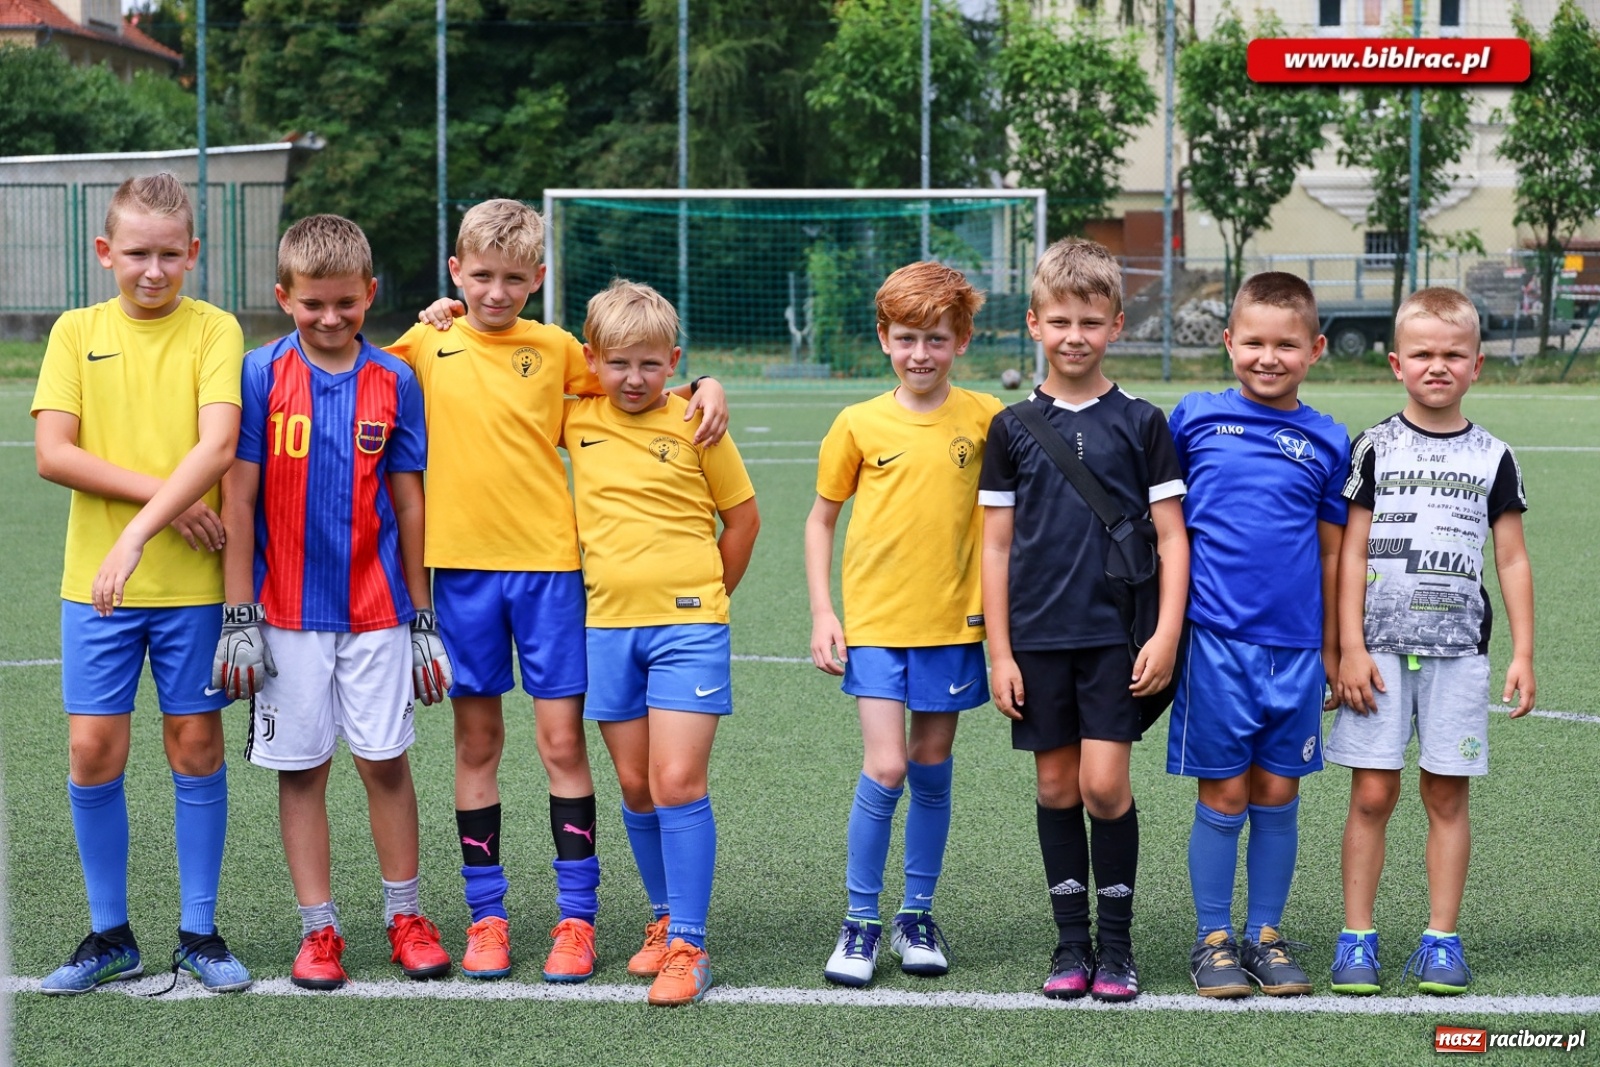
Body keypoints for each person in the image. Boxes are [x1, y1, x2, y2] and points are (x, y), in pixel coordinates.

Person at [387, 199, 728, 981]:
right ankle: (489, 917)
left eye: (514, 278)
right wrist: (428, 317)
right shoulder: (423, 344)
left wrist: (707, 380)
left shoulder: (558, 350)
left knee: (562, 744)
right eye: (480, 277)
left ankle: (577, 921)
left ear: (539, 279)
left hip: (551, 573)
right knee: (476, 745)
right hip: (461, 574)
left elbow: (634, 368)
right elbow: (365, 372)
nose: (496, 292)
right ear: (455, 274)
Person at [216, 214, 453, 990]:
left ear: (370, 294)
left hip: (380, 612)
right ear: (284, 296)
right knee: (302, 772)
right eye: (313, 303)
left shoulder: (396, 379)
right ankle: (319, 931)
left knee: (386, 762)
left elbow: (410, 503)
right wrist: (239, 612)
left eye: (345, 303)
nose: (329, 317)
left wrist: (422, 617)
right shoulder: (259, 374)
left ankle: (406, 916)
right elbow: (240, 499)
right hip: (284, 617)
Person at [32, 173, 252, 993]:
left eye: (169, 254)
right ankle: (108, 933)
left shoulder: (214, 330)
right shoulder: (72, 331)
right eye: (135, 253)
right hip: (97, 585)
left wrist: (138, 530)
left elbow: (217, 443)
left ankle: (199, 931)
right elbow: (56, 453)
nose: (152, 269)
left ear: (193, 253)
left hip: (187, 585)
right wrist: (164, 504)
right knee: (92, 750)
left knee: (194, 745)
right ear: (105, 253)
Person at [980, 238, 1189, 1003]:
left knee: (1105, 786)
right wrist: (998, 651)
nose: (1075, 335)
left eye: (1091, 321)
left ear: (1117, 324)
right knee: (1056, 786)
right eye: (1060, 320)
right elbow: (996, 545)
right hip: (1036, 640)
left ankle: (1119, 946)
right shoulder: (1010, 429)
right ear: (1033, 323)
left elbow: (1172, 536)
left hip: (1115, 640)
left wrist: (1166, 632)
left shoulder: (1142, 421)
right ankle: (1071, 942)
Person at [1327, 287, 1534, 996]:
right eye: (1422, 354)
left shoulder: (1493, 456)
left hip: (1459, 654)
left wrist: (1524, 652)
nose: (1437, 366)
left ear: (1477, 364)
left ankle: (1441, 939)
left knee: (1446, 796)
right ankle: (1357, 935)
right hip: (1378, 651)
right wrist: (1348, 644)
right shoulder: (1374, 446)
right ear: (1395, 363)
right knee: (1373, 793)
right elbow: (1350, 555)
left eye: (1452, 354)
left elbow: (1511, 558)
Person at [561, 279, 758, 1005]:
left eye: (651, 364)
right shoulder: (574, 418)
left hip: (687, 627)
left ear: (673, 360)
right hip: (607, 627)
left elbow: (742, 522)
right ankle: (662, 915)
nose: (634, 378)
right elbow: (503, 379)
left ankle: (690, 945)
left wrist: (710, 598)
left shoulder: (698, 422)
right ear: (592, 360)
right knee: (638, 786)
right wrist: (445, 312)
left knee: (677, 781)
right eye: (618, 364)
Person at [806, 261, 1001, 987]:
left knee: (931, 768)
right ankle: (860, 919)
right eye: (908, 337)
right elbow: (821, 519)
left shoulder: (985, 416)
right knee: (886, 766)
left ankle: (916, 913)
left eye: (938, 339)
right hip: (878, 626)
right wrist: (825, 610)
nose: (922, 353)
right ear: (884, 338)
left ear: (962, 340)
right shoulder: (857, 422)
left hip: (954, 625)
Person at [1166, 271, 1348, 998]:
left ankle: (1265, 934)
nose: (1268, 356)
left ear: (1315, 349)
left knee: (1278, 791)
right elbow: (1164, 528)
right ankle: (1213, 937)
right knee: (1225, 795)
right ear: (1227, 342)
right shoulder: (1195, 417)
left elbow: (1334, 553)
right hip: (1215, 644)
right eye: (1253, 342)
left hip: (1298, 651)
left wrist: (1335, 649)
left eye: (1286, 344)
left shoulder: (1329, 438)